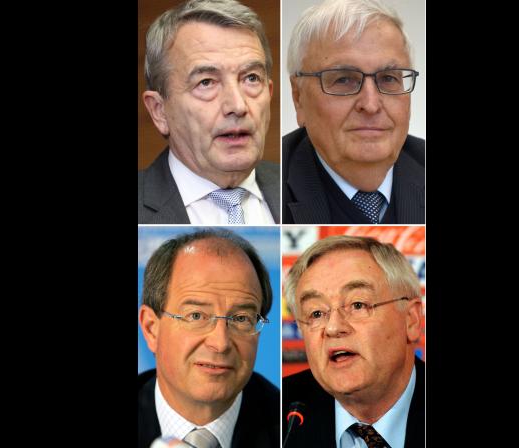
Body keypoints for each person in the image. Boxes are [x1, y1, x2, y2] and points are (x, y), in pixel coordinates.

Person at [282, 0, 425, 224]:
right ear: (298, 97)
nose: (370, 105)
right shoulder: (272, 190)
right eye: (343, 80)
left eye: (388, 79)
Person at [139, 0, 279, 224]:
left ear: (269, 92)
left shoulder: (296, 187)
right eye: (206, 82)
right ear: (159, 111)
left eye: (251, 78)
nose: (238, 106)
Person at [138, 229, 279, 447]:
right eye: (196, 316)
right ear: (151, 328)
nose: (220, 343)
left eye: (241, 319)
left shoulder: (290, 427)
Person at [282, 235, 424, 447]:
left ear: (411, 320)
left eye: (357, 305)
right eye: (316, 313)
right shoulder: (278, 413)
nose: (333, 328)